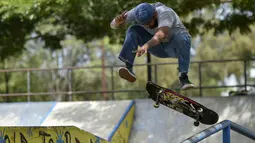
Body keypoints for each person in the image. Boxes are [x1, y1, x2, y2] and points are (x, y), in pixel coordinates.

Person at [110, 2, 194, 90]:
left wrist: (146, 46)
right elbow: (112, 25)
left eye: (149, 22)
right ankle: (128, 67)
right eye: (144, 24)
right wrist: (116, 22)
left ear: (155, 14)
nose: (147, 26)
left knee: (184, 38)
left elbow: (160, 35)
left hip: (174, 47)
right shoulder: (135, 13)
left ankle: (183, 77)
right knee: (133, 29)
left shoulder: (165, 13)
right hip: (158, 48)